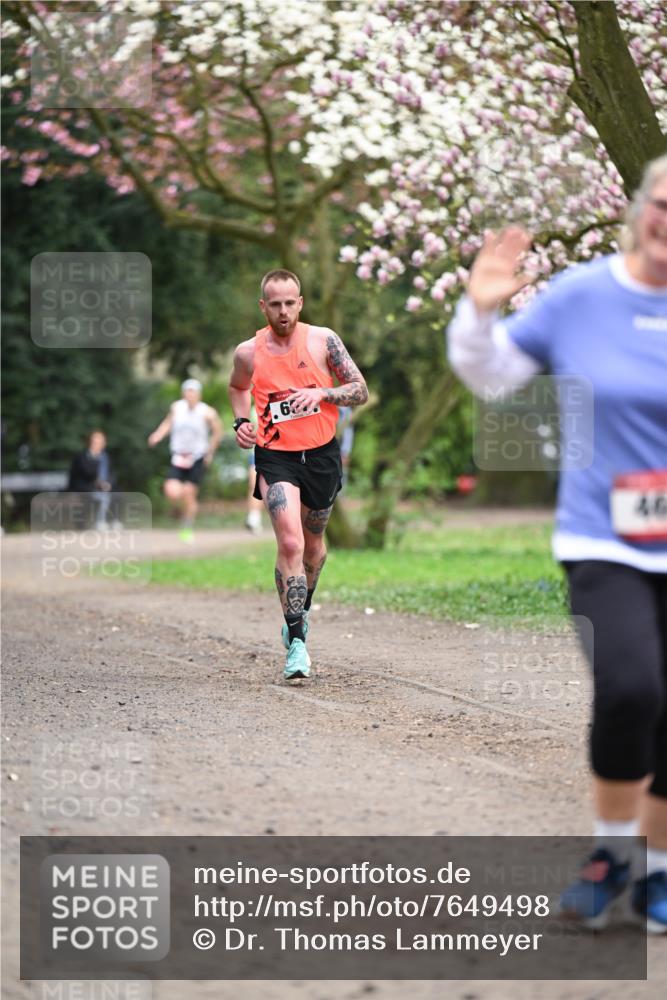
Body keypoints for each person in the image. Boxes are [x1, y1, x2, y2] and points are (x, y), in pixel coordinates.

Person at [447, 154, 667, 932]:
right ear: (640, 208)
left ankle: (657, 870)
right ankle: (611, 852)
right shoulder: (582, 297)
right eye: (662, 204)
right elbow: (494, 375)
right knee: (633, 686)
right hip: (605, 538)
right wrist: (477, 313)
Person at [229, 268, 368, 680]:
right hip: (275, 457)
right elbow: (237, 388)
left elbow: (360, 390)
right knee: (289, 541)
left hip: (322, 455)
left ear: (300, 303)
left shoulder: (323, 340)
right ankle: (297, 644)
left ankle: (299, 612)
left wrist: (322, 393)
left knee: (312, 548)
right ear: (263, 306)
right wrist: (241, 423)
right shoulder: (248, 352)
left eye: (290, 303)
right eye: (275, 304)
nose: (284, 311)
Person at [147, 379, 222, 543]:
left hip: (197, 457)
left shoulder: (207, 412)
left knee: (189, 494)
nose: (190, 394)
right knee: (171, 492)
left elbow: (218, 432)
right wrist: (157, 435)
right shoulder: (177, 407)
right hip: (179, 456)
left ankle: (187, 527)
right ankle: (181, 508)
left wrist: (210, 453)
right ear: (183, 393)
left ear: (199, 394)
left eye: (193, 391)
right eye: (187, 391)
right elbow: (168, 423)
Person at [68, 430, 117, 530]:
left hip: (104, 488)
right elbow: (86, 474)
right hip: (86, 488)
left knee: (116, 493)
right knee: (102, 497)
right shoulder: (82, 457)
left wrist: (109, 483)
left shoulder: (106, 457)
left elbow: (112, 474)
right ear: (89, 442)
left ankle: (113, 521)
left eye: (100, 442)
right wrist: (100, 483)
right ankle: (99, 522)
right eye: (95, 442)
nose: (97, 445)